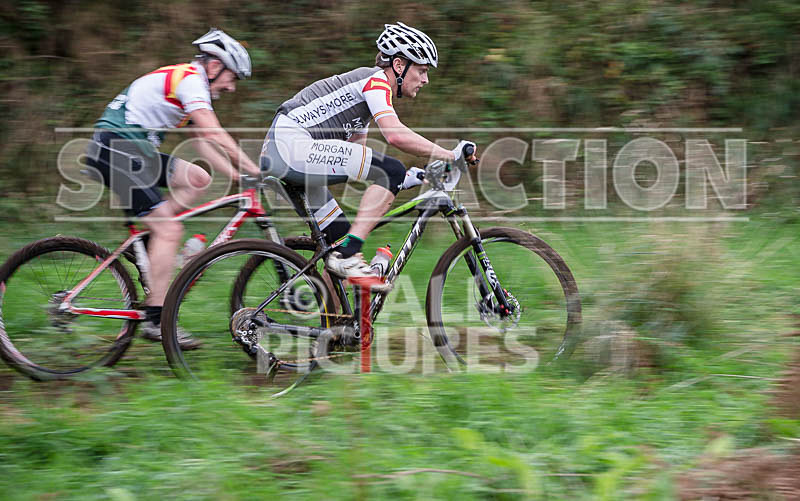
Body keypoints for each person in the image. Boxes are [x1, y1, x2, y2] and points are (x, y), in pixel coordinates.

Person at [261, 22, 477, 288]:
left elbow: (357, 157)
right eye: (421, 70)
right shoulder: (375, 82)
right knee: (389, 173)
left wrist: (407, 178)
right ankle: (349, 254)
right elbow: (394, 134)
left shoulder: (360, 101)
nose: (425, 79)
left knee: (338, 240)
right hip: (290, 146)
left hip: (286, 152)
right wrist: (448, 154)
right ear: (399, 66)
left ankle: (334, 323)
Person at [86, 28, 261, 348]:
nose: (231, 87)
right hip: (120, 149)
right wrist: (254, 169)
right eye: (231, 77)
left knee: (198, 178)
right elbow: (213, 133)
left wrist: (236, 176)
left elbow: (202, 144)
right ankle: (157, 319)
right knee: (170, 230)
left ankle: (155, 240)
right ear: (214, 66)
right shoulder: (192, 80)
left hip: (132, 150)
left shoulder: (188, 81)